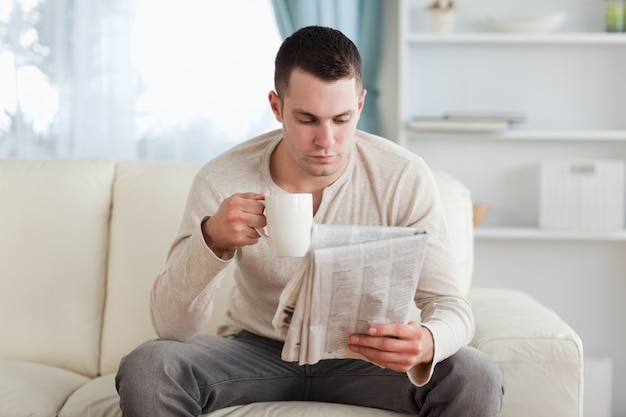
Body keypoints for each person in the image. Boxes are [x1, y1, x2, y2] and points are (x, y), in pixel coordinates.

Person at [115, 25, 504, 417]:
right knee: (150, 366)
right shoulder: (223, 178)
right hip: (254, 350)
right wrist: (212, 240)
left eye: (341, 119)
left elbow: (450, 303)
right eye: (307, 120)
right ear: (276, 107)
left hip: (366, 356)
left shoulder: (402, 175)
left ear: (361, 105)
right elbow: (171, 328)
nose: (326, 141)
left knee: (475, 372)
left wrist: (428, 342)